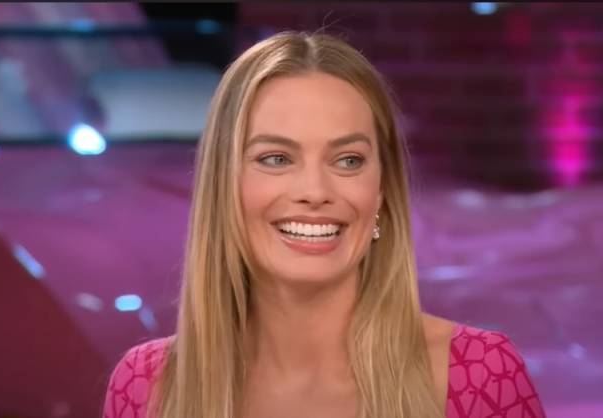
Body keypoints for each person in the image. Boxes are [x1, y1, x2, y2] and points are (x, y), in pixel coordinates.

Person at [102, 30, 546, 418]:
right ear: (223, 185)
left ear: (382, 191)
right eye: (276, 158)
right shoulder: (146, 386)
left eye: (348, 160)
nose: (315, 191)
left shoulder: (481, 375)